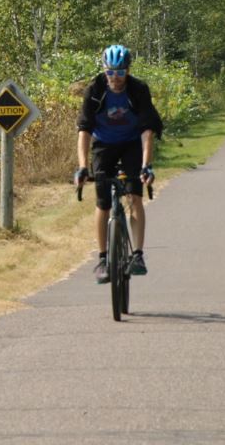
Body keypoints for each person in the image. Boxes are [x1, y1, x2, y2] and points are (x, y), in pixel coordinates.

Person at [72, 44, 163, 284]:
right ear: (104, 70)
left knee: (134, 197)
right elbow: (84, 130)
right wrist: (83, 167)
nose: (115, 78)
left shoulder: (138, 90)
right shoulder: (95, 89)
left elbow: (147, 130)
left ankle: (138, 256)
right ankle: (103, 259)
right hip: (104, 145)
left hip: (132, 144)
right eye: (110, 72)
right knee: (102, 203)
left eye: (120, 72)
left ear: (128, 71)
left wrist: (147, 165)